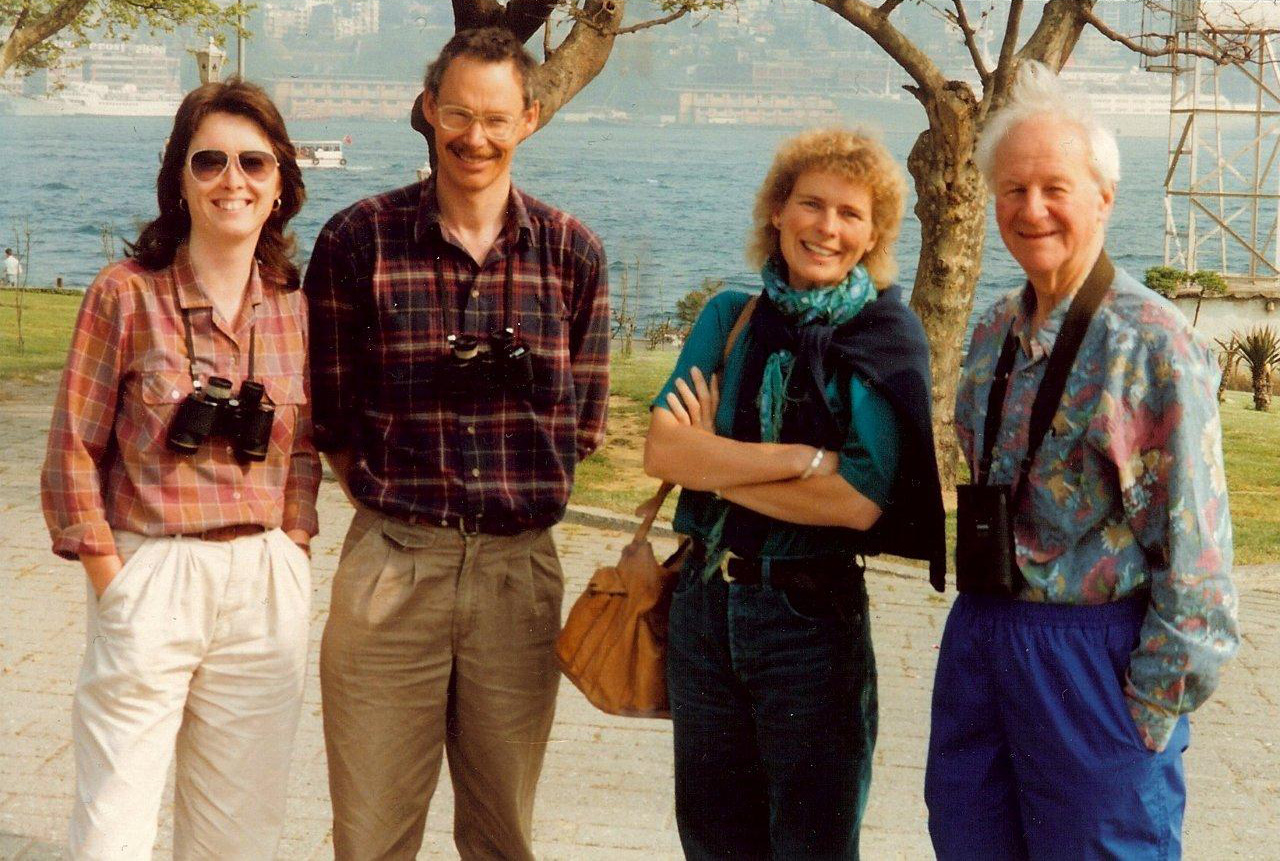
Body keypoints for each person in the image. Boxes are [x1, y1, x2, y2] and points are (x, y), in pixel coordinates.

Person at [303, 27, 609, 860]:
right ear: (429, 109)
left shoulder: (571, 253)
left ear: (530, 120)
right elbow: (329, 414)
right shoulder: (356, 242)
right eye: (460, 114)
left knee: (503, 831)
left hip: (519, 572)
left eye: (498, 118)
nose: (477, 137)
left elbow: (583, 423)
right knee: (369, 833)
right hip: (393, 566)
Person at [924, 62, 1239, 860]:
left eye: (1055, 187)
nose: (1032, 209)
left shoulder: (1153, 342)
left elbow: (1199, 570)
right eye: (1012, 189)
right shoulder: (995, 329)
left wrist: (1144, 717)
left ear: (1103, 196)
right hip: (985, 642)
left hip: (1093, 663)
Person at [644, 127, 945, 859]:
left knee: (813, 846)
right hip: (704, 614)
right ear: (777, 210)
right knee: (714, 843)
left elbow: (858, 501)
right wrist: (807, 459)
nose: (828, 227)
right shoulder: (728, 317)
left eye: (851, 213)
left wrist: (716, 461)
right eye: (812, 204)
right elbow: (664, 450)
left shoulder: (884, 335)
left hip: (810, 623)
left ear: (874, 233)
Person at [39, 78, 319, 857]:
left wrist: (292, 542)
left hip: (262, 578)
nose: (234, 181)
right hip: (150, 568)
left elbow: (306, 448)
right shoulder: (125, 295)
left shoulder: (295, 306)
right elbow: (71, 448)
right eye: (210, 161)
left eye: (254, 163)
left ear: (281, 184)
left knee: (242, 833)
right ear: (179, 179)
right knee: (112, 825)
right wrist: (112, 578)